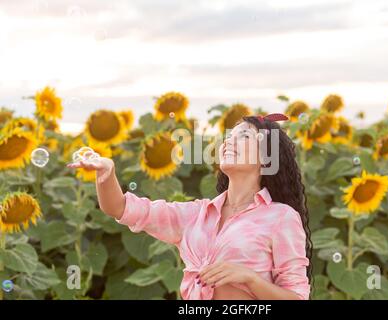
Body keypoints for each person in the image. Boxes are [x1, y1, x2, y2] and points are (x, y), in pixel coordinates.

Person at [67, 113, 312, 300]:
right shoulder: (196, 215)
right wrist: (106, 174)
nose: (229, 141)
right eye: (229, 136)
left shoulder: (281, 217)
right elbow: (119, 208)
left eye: (244, 136)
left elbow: (298, 297)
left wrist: (249, 279)